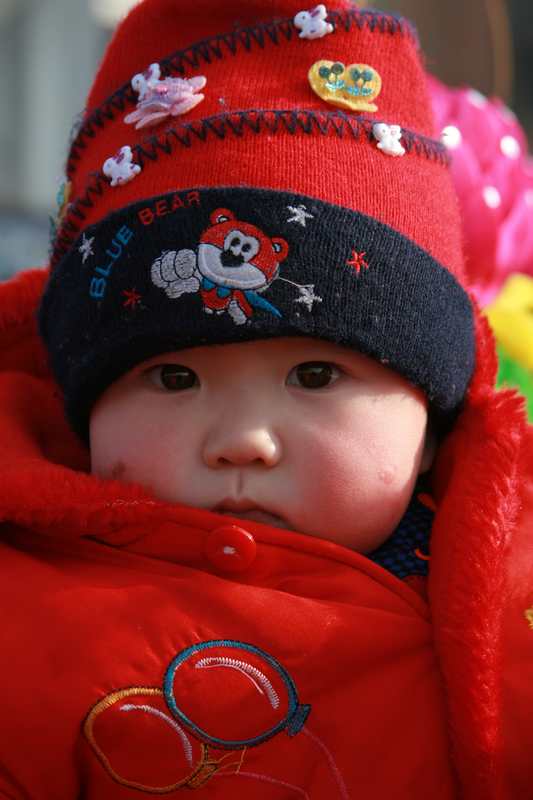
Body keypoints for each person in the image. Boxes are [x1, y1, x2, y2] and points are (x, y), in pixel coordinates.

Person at [0, 0, 532, 797]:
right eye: (174, 378)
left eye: (314, 376)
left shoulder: (510, 587)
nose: (242, 440)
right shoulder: (29, 611)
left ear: (431, 422)